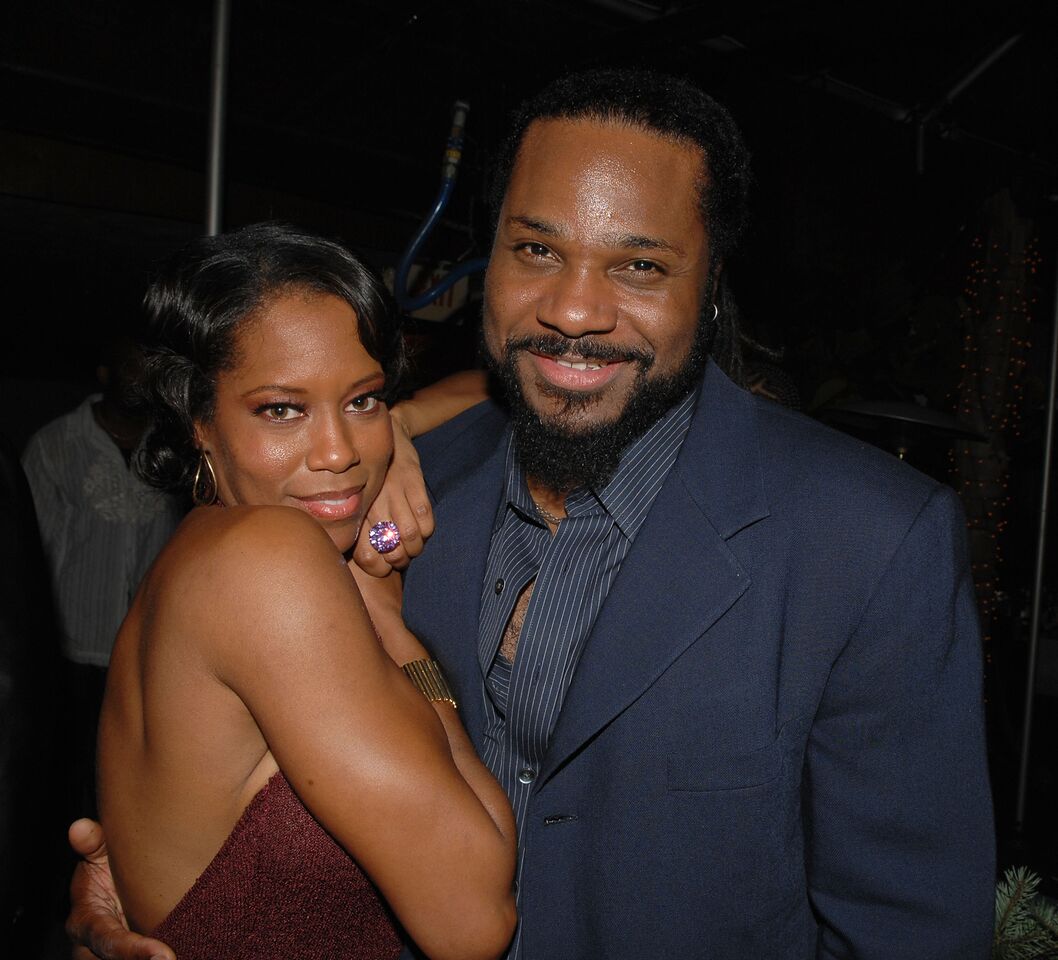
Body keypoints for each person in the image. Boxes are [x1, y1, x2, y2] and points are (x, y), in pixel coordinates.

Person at [70, 70, 994, 959]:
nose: (574, 310)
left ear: (710, 288)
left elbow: (908, 931)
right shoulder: (373, 513)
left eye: (638, 264)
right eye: (537, 250)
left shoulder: (869, 540)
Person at [88, 223, 516, 960]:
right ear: (200, 422)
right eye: (281, 409)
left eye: (362, 401)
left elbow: (497, 385)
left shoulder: (193, 557)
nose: (339, 454)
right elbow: (475, 919)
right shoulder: (266, 558)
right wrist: (390, 625)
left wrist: (402, 427)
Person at [21, 335, 185, 816]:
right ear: (104, 375)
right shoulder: (56, 445)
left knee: (136, 781)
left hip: (147, 651)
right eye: (128, 368)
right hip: (74, 650)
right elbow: (32, 554)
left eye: (147, 370)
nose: (140, 380)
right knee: (68, 780)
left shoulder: (173, 449)